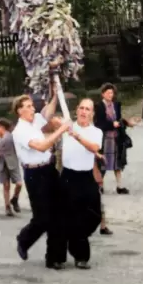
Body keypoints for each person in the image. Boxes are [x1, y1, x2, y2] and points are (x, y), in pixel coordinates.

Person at [11, 93, 70, 268]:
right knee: (43, 217)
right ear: (19, 111)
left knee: (59, 213)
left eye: (32, 105)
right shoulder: (19, 131)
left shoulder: (35, 120)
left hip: (49, 169)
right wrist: (61, 129)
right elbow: (41, 145)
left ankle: (55, 257)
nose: (32, 108)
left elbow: (47, 113)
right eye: (28, 106)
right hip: (34, 175)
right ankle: (24, 238)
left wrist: (55, 94)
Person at [54, 99, 104, 270]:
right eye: (81, 108)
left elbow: (94, 147)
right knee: (66, 216)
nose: (84, 111)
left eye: (87, 109)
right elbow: (48, 121)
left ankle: (76, 241)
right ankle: (77, 256)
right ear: (77, 110)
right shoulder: (66, 127)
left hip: (86, 177)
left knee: (94, 215)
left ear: (92, 113)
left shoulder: (96, 131)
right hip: (68, 176)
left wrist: (76, 135)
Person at [93, 83, 133, 194]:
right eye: (108, 93)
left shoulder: (116, 105)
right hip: (104, 138)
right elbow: (98, 123)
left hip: (116, 137)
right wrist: (111, 125)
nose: (110, 95)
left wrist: (125, 123)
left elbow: (119, 119)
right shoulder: (99, 106)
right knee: (103, 163)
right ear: (103, 94)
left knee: (117, 162)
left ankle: (120, 186)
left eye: (112, 93)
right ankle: (99, 186)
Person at [0, 119, 22, 216]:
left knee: (19, 183)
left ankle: (15, 198)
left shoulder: (11, 136)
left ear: (1, 127)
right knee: (6, 186)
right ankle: (7, 206)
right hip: (2, 164)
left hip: (13, 163)